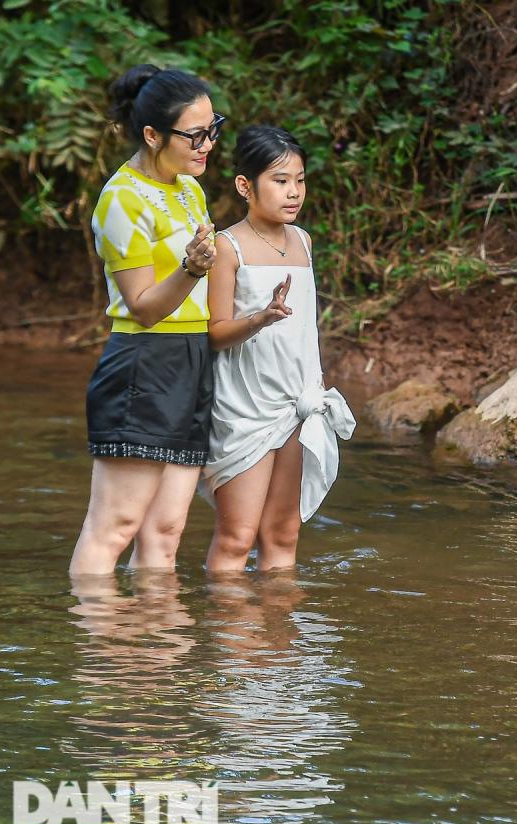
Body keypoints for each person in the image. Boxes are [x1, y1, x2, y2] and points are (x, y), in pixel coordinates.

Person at [70, 65, 224, 575]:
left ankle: (156, 653)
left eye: (213, 129)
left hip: (192, 359)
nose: (208, 144)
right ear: (153, 134)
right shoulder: (122, 199)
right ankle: (99, 650)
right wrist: (190, 268)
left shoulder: (188, 189)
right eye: (195, 135)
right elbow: (143, 306)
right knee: (114, 526)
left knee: (165, 532)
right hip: (144, 361)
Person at [202, 125, 355, 574]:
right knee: (236, 537)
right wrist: (260, 318)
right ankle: (232, 641)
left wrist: (317, 381)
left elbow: (305, 326)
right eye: (280, 180)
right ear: (245, 185)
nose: (294, 192)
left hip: (296, 402)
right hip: (244, 404)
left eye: (300, 180)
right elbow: (214, 332)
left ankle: (278, 641)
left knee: (283, 534)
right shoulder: (227, 247)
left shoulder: (303, 241)